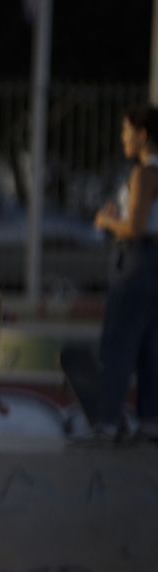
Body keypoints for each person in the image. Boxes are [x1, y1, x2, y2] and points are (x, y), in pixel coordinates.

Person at [83, 106, 158, 444]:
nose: (123, 137)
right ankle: (150, 422)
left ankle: (107, 424)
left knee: (118, 343)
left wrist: (106, 221)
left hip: (136, 262)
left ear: (142, 135)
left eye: (127, 131)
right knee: (150, 346)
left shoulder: (144, 173)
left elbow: (136, 227)